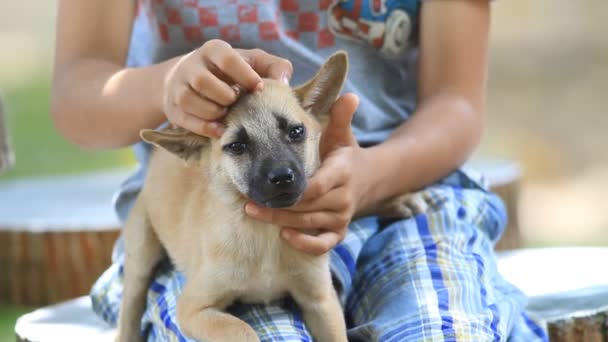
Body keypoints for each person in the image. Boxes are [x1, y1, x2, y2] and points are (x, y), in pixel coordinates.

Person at [51, 0, 548, 340]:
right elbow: (78, 97)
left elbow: (456, 102)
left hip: (404, 194)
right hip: (213, 211)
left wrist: (373, 176)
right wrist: (166, 85)